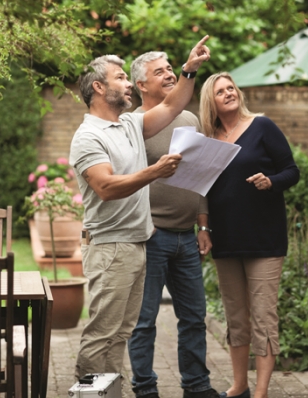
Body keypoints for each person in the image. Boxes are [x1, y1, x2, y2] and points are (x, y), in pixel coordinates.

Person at [69, 36, 210, 379]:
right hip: (110, 246)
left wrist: (188, 70)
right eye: (121, 77)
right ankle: (88, 391)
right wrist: (154, 172)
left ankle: (111, 392)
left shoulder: (129, 125)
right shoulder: (89, 136)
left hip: (135, 243)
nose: (128, 82)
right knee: (101, 335)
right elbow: (104, 187)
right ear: (99, 87)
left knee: (120, 336)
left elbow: (173, 106)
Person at [198, 73, 300, 398]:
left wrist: (271, 181)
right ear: (210, 102)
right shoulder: (208, 138)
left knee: (263, 317)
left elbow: (291, 170)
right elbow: (201, 188)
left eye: (231, 88)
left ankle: (261, 391)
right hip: (226, 239)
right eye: (220, 91)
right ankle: (240, 384)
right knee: (235, 316)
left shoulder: (262, 126)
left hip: (265, 238)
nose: (229, 93)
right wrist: (203, 228)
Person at [127, 52, 218, 398]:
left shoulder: (189, 119)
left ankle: (196, 386)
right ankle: (145, 387)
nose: (168, 75)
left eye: (170, 69)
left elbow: (202, 175)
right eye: (159, 72)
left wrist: (204, 225)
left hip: (187, 237)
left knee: (194, 318)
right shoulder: (132, 125)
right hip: (151, 236)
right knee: (144, 321)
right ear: (141, 85)